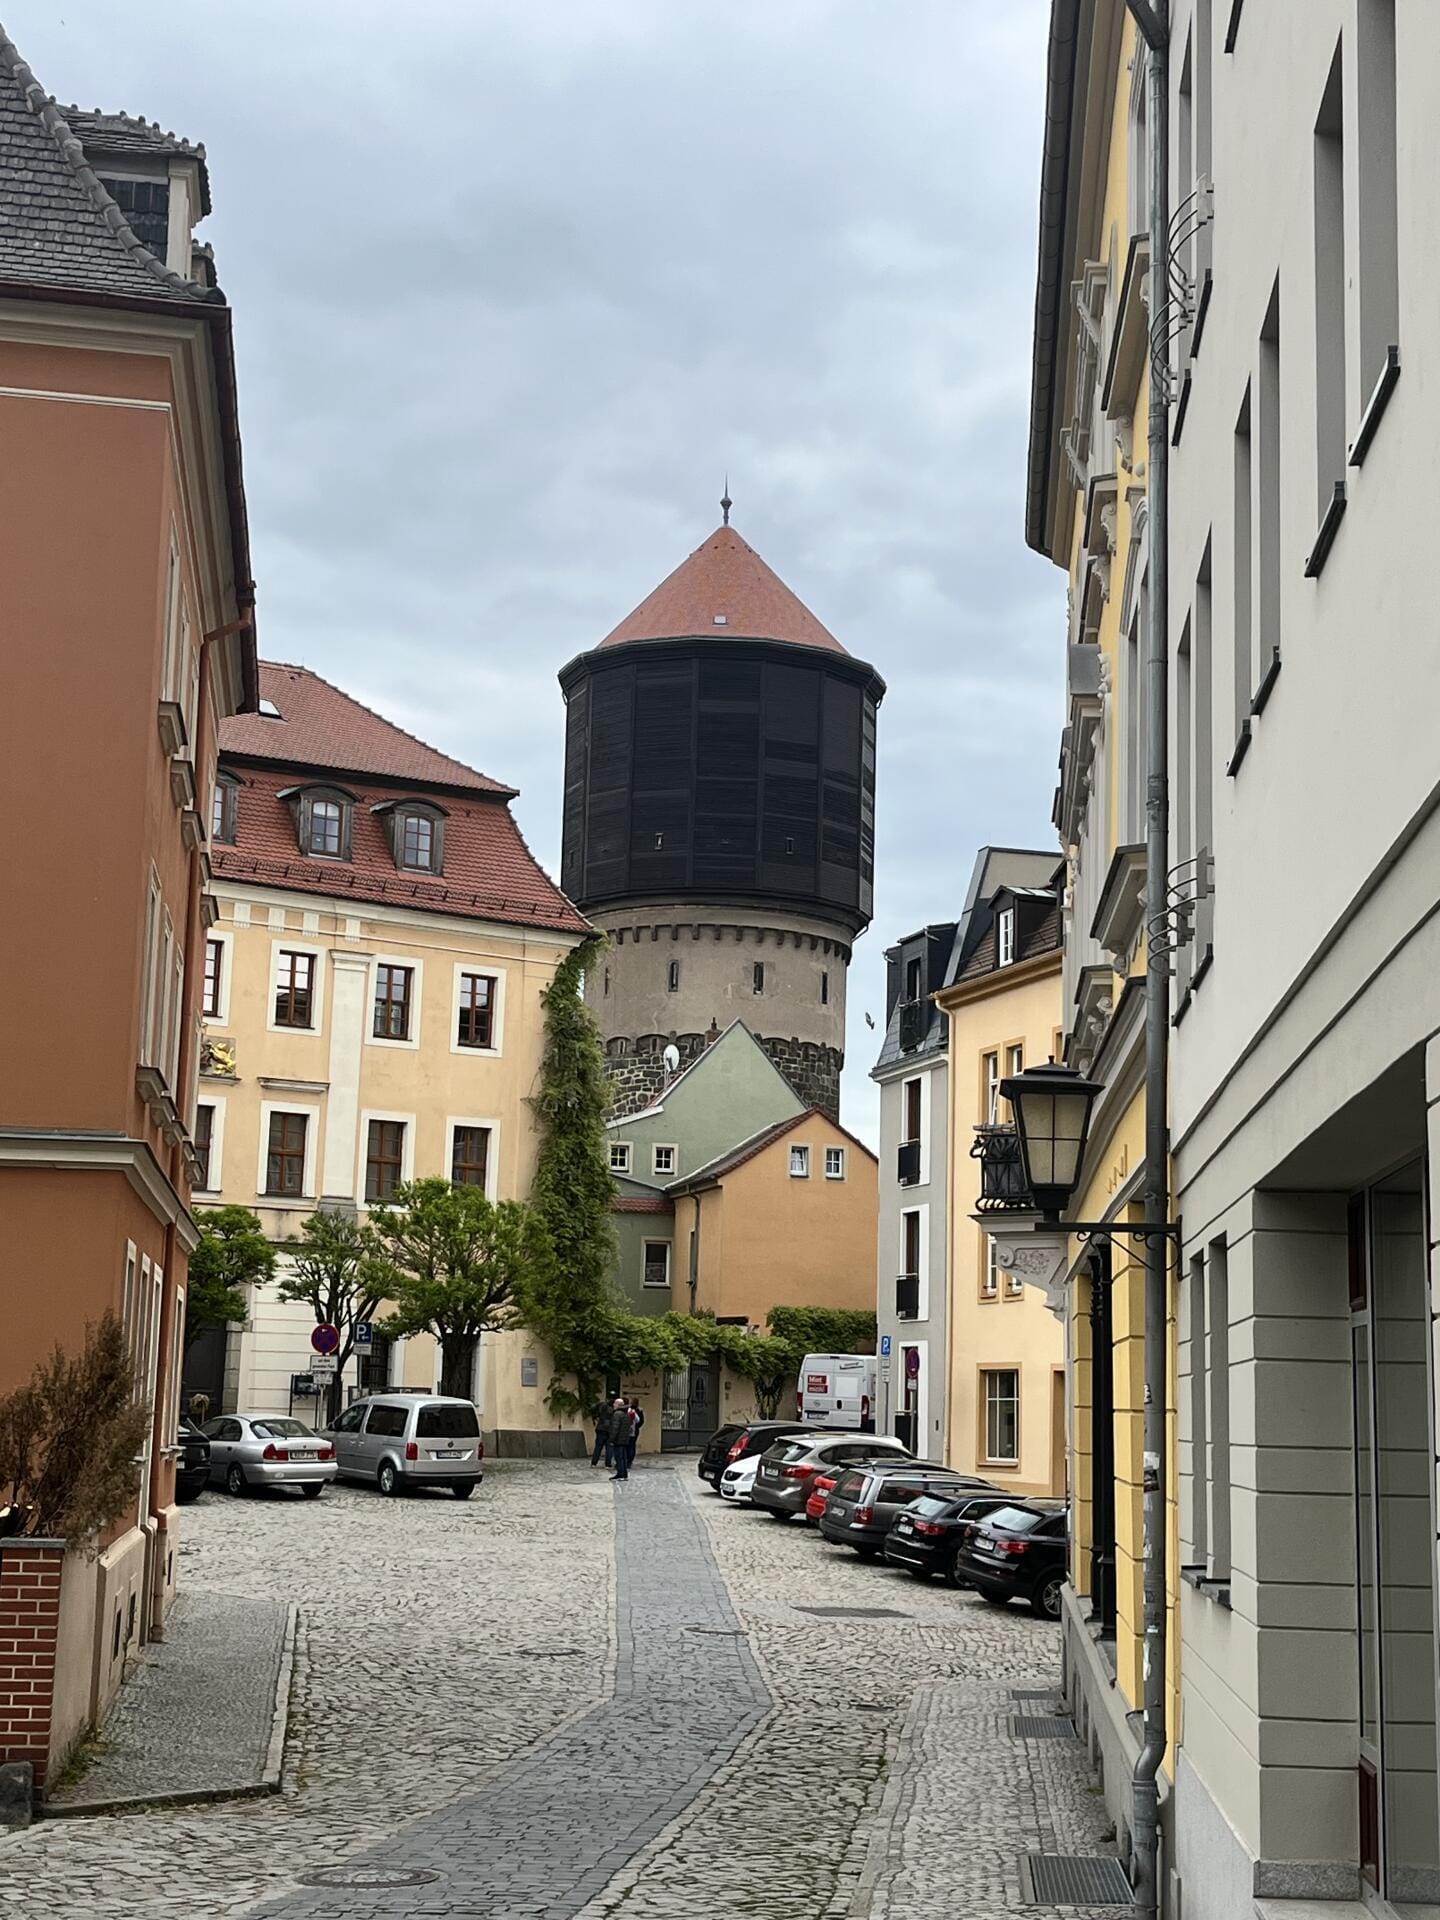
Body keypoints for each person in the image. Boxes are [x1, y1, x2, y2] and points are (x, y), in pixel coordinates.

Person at [609, 1396, 636, 1480]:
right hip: (625, 1439)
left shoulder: (617, 1414)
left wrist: (611, 1439)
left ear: (618, 1404)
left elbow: (615, 1428)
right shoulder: (626, 1413)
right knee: (623, 1457)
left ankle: (621, 1474)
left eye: (615, 1403)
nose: (613, 1405)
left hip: (618, 1439)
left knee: (619, 1457)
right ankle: (624, 1474)